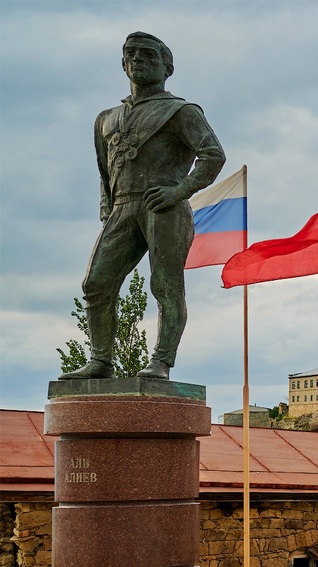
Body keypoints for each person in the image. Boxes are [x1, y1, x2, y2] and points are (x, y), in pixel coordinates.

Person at [61, 32, 225, 381]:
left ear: (167, 67)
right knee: (96, 283)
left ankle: (161, 361)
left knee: (165, 285)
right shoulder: (106, 118)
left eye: (148, 55)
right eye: (130, 54)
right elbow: (105, 171)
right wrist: (108, 210)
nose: (137, 60)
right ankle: (101, 360)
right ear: (123, 64)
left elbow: (213, 155)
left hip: (162, 206)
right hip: (122, 208)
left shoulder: (180, 111)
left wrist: (180, 190)